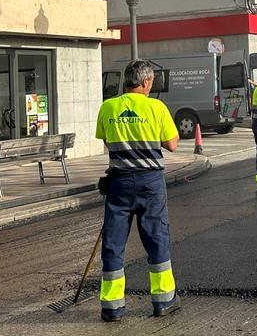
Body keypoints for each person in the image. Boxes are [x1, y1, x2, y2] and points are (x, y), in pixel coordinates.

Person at [95, 60, 181, 323]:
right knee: (156, 238)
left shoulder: (108, 106)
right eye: (151, 81)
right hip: (150, 183)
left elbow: (107, 140)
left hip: (119, 184)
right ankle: (164, 301)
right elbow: (172, 145)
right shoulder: (156, 107)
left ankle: (112, 307)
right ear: (145, 82)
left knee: (113, 242)